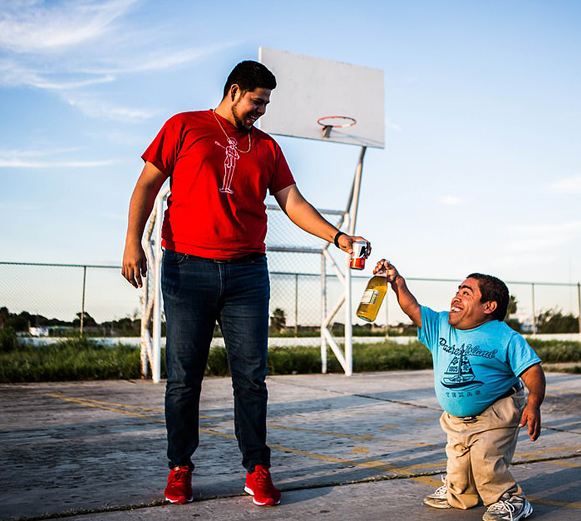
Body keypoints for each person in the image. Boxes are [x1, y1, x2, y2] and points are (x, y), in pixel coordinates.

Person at [121, 60, 369, 507]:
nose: (262, 111)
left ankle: (257, 469)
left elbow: (292, 201)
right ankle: (180, 467)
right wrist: (132, 244)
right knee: (183, 379)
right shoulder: (184, 127)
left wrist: (338, 236)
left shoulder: (267, 147)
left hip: (247, 273)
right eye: (258, 101)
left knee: (251, 379)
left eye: (267, 103)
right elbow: (146, 187)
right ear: (235, 91)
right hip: (186, 268)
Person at [373, 259, 545, 521]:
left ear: (489, 306)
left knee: (486, 461)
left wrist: (533, 404)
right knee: (458, 463)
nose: (457, 296)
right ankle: (459, 492)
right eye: (458, 290)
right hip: (455, 418)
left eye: (467, 293)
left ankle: (510, 499)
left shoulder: (503, 336)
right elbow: (411, 307)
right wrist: (397, 282)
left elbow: (532, 372)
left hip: (496, 411)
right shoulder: (440, 325)